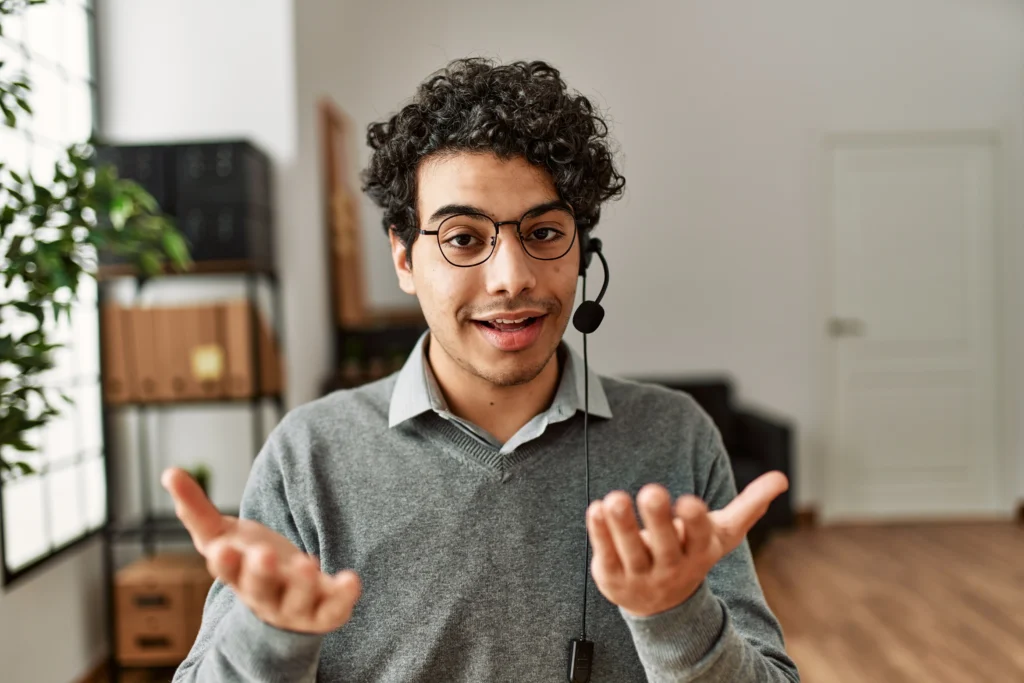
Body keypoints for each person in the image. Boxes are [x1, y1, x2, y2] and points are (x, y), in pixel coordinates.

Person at [166, 57, 800, 682]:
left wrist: (675, 617)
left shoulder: (675, 438)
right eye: (464, 238)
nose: (512, 278)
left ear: (583, 253)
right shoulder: (308, 456)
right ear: (404, 258)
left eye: (545, 233)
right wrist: (268, 640)